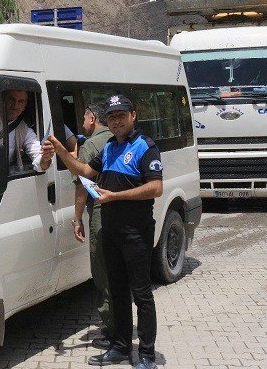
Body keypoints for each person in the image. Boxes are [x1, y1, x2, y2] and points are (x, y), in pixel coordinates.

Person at [48, 94, 162, 369]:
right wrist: (61, 151)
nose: (117, 121)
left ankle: (146, 354)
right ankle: (121, 347)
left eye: (122, 115)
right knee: (118, 291)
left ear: (133, 115)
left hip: (136, 233)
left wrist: (116, 197)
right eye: (112, 117)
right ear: (106, 121)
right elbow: (85, 171)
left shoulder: (145, 147)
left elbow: (156, 187)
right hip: (110, 232)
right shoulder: (109, 147)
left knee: (141, 294)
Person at [71, 103, 115, 349]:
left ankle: (112, 330)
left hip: (99, 211)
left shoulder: (90, 145)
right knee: (115, 270)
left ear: (93, 118)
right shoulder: (116, 138)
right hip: (119, 210)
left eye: (84, 117)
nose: (82, 123)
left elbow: (81, 185)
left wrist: (77, 218)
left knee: (102, 271)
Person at [0, 89, 54, 171]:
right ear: (2, 100)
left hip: (0, 177)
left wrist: (45, 158)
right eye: (11, 99)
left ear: (24, 107)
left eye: (21, 101)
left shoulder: (24, 130)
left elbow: (40, 161)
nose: (15, 106)